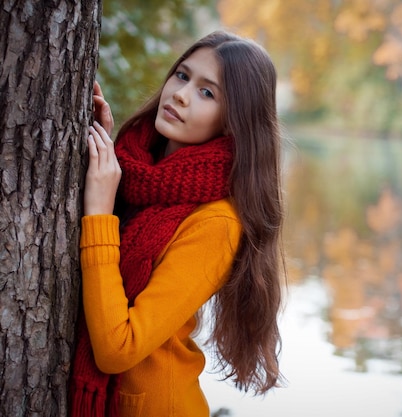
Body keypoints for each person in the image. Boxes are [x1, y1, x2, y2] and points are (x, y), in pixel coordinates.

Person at [69, 30, 285, 417]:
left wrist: (100, 212)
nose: (181, 94)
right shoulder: (139, 174)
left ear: (233, 122)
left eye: (208, 93)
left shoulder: (217, 223)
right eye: (183, 75)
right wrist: (103, 150)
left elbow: (119, 348)